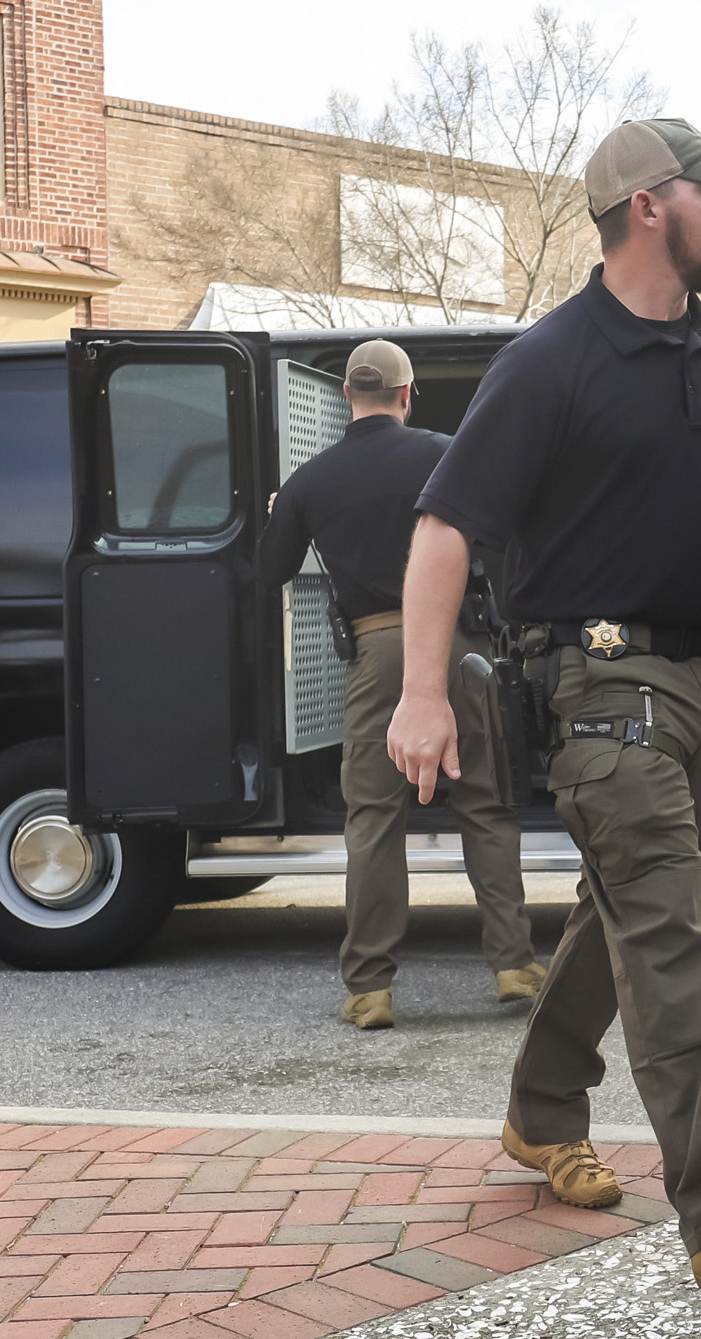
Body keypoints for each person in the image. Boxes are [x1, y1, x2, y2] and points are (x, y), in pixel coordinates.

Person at [384, 118, 701, 1291]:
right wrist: (423, 694)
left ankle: (541, 1109)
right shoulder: (550, 362)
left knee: (623, 912)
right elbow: (446, 529)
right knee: (669, 927)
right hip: (598, 685)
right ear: (650, 206)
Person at [256, 339, 539, 1031]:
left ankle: (371, 986)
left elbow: (269, 573)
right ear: (408, 396)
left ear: (346, 397)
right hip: (460, 645)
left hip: (378, 652)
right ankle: (512, 964)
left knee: (374, 820)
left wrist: (281, 514)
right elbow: (504, 543)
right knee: (485, 805)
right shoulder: (449, 453)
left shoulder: (311, 479)